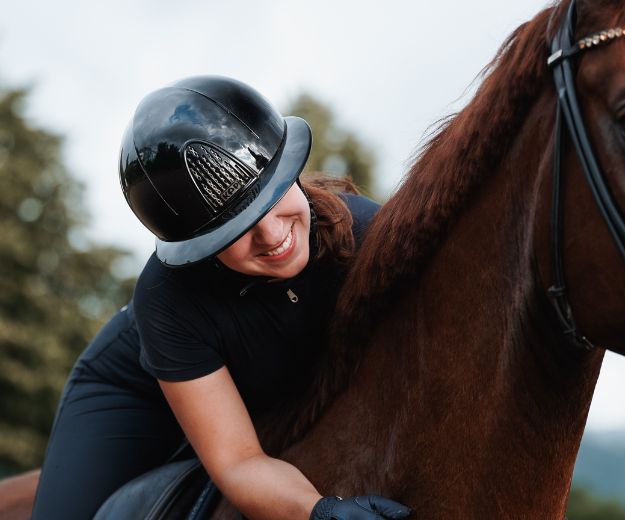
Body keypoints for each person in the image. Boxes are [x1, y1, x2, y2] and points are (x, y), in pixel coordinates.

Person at [31, 75, 411, 520]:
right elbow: (238, 461)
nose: (273, 236)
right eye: (236, 228)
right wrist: (320, 512)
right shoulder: (166, 299)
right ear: (199, 245)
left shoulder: (370, 234)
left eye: (273, 197)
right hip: (138, 390)